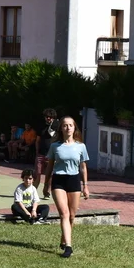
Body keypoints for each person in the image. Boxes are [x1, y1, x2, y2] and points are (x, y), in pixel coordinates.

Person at [42, 115, 89, 258]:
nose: (68, 128)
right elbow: (49, 166)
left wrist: (85, 186)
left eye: (70, 125)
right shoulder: (55, 146)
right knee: (64, 213)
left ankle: (64, 239)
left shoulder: (81, 146)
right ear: (61, 128)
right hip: (58, 180)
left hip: (74, 180)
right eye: (65, 125)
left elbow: (83, 167)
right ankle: (68, 246)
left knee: (72, 216)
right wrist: (46, 184)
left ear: (74, 128)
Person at [36, 108, 60, 196]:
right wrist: (37, 152)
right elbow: (37, 140)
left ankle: (46, 191)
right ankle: (32, 192)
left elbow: (58, 139)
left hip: (51, 155)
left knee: (49, 175)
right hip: (41, 154)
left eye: (50, 117)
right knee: (37, 174)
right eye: (46, 117)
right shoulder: (41, 126)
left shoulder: (57, 127)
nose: (48, 118)